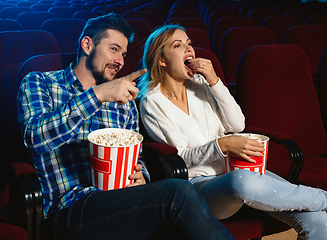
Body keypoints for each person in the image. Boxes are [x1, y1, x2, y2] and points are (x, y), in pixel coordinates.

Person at [17, 13, 235, 240]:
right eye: (113, 49)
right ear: (87, 44)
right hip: (71, 208)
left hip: (122, 202)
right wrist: (97, 95)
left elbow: (136, 159)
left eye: (123, 54)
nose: (120, 60)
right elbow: (36, 137)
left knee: (180, 221)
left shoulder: (124, 102)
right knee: (178, 193)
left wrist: (143, 177)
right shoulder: (40, 82)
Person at [138, 23, 327, 240]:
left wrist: (215, 81)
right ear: (162, 60)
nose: (189, 49)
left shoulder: (201, 83)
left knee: (319, 221)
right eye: (178, 45)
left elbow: (237, 125)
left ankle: (322, 202)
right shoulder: (152, 102)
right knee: (242, 181)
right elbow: (180, 158)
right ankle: (324, 198)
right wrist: (223, 145)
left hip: (238, 171)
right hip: (199, 188)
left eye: (189, 44)